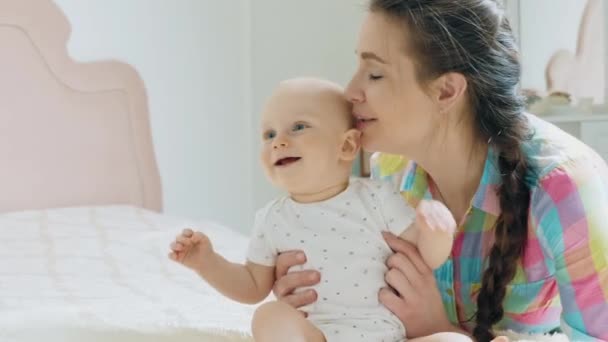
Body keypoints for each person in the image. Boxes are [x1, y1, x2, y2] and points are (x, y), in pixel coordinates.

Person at [272, 1, 608, 341]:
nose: (350, 91)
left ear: (446, 91)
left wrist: (439, 329)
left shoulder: (564, 187)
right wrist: (317, 294)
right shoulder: (390, 171)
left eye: (374, 74)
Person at [168, 77, 470, 341]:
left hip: (388, 335)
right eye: (269, 134)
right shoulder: (272, 219)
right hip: (317, 336)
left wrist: (438, 230)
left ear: (347, 146)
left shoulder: (378, 196)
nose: (278, 142)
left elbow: (426, 255)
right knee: (269, 315)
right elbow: (251, 287)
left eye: (298, 127)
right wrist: (207, 263)